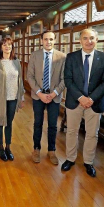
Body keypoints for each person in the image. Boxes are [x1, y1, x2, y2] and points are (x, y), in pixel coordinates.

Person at [62, 28, 104, 177]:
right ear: (80, 40)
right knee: (71, 132)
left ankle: (88, 162)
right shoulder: (71, 57)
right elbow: (68, 80)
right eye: (85, 38)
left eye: (92, 38)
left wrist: (91, 99)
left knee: (92, 134)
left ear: (97, 40)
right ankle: (70, 159)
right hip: (74, 101)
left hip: (94, 103)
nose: (88, 41)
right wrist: (80, 98)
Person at [27, 30, 66, 164]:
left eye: (51, 39)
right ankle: (36, 148)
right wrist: (39, 93)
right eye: (45, 39)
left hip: (54, 96)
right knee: (37, 123)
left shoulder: (62, 57)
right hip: (38, 96)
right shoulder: (35, 55)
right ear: (41, 41)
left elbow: (64, 78)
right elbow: (30, 76)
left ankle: (52, 150)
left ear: (54, 40)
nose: (48, 42)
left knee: (53, 125)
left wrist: (54, 93)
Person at [0, 38, 25, 162]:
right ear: (1, 47)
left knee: (9, 123)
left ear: (12, 47)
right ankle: (0, 148)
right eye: (4, 45)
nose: (7, 47)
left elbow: (20, 81)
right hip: (0, 99)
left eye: (9, 45)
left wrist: (22, 97)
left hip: (13, 98)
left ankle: (8, 147)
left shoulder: (16, 62)